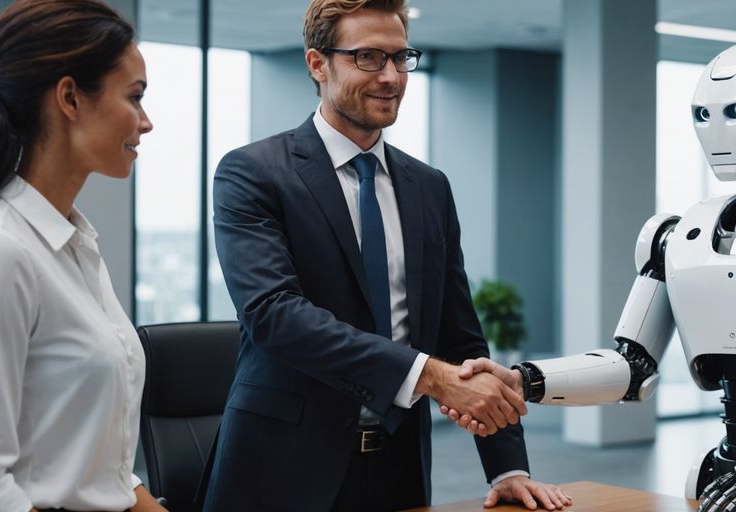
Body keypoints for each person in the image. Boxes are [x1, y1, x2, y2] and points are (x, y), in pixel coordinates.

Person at [202, 0, 572, 510]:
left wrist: (507, 466)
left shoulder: (429, 187)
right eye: (368, 57)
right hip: (282, 469)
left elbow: (459, 333)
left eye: (401, 57)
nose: (391, 77)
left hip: (399, 466)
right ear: (318, 63)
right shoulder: (253, 173)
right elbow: (275, 315)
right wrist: (431, 376)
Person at [0, 1, 161, 510]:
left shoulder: (75, 244)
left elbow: (99, 471)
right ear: (69, 97)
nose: (146, 122)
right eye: (134, 97)